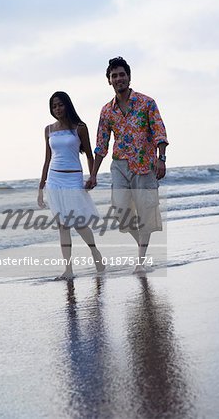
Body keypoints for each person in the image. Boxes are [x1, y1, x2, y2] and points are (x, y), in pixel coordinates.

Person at [85, 57, 168, 273]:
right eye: (114, 76)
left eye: (122, 74)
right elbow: (101, 145)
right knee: (120, 212)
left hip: (144, 164)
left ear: (129, 77)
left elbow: (159, 130)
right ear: (109, 81)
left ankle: (140, 261)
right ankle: (141, 239)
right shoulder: (106, 111)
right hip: (120, 165)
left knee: (146, 212)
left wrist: (162, 158)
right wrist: (93, 175)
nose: (119, 78)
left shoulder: (146, 102)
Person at [38, 91, 105, 280]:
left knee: (78, 222)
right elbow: (47, 160)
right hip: (54, 180)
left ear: (67, 105)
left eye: (60, 105)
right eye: (54, 106)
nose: (57, 109)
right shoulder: (48, 129)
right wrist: (41, 188)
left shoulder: (79, 127)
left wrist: (93, 176)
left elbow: (90, 155)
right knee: (62, 225)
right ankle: (68, 269)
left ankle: (94, 252)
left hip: (73, 179)